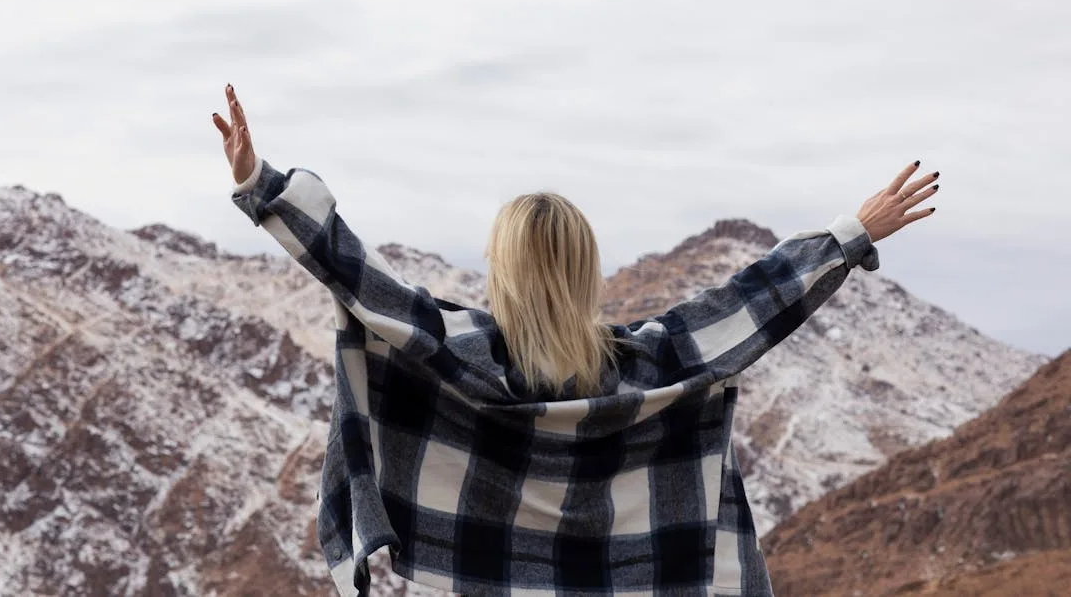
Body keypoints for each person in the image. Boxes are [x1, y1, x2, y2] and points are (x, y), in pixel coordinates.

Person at [213, 84, 938, 596]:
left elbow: (360, 280)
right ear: (584, 267)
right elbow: (746, 305)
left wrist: (261, 186)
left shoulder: (463, 355)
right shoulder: (646, 368)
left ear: (504, 267)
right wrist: (850, 235)